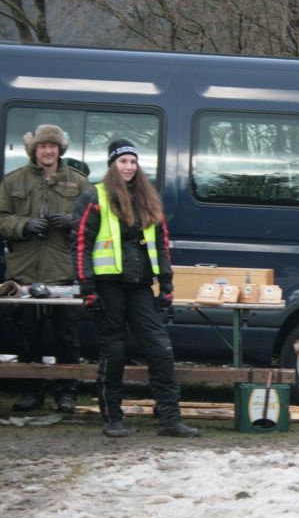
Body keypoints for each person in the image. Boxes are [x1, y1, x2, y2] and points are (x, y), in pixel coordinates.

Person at [73, 139, 198, 438]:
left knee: (161, 349)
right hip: (108, 287)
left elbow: (161, 245)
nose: (128, 167)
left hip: (141, 286)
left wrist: (166, 284)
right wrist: (87, 287)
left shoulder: (148, 198)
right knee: (114, 353)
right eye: (122, 161)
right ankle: (113, 419)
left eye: (133, 161)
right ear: (112, 165)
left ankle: (170, 419)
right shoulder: (94, 196)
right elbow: (81, 244)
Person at [0, 125, 91, 413]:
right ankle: (31, 391)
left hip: (64, 272)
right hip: (24, 272)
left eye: (53, 146)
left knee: (67, 335)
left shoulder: (79, 183)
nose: (48, 151)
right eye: (42, 146)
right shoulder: (12, 180)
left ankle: (67, 392)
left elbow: (95, 222)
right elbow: (1, 218)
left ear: (60, 149)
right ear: (34, 150)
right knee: (28, 335)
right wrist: (23, 225)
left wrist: (71, 222)